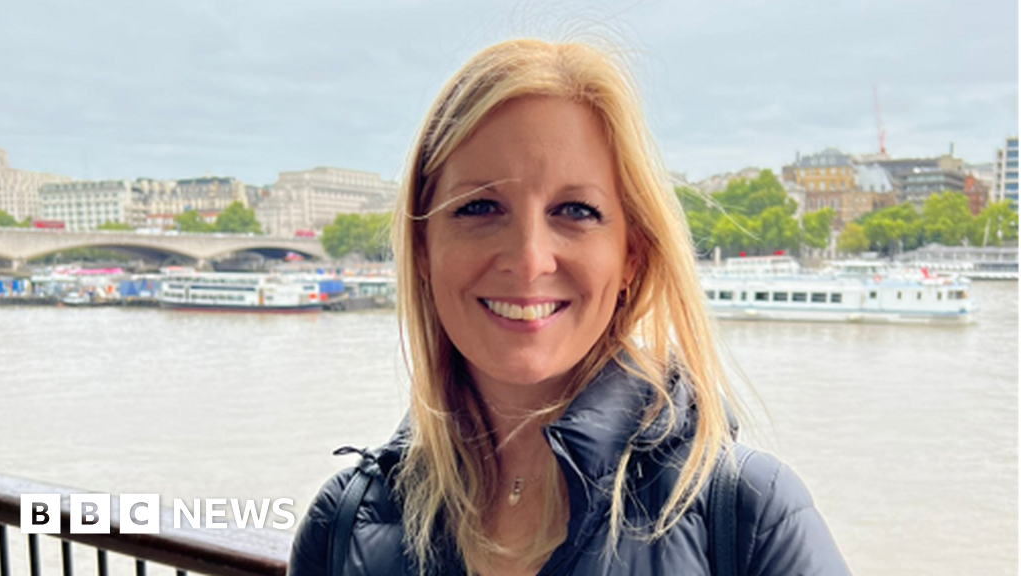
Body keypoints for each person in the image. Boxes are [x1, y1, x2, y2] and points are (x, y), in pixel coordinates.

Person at [289, 38, 851, 576]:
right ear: (421, 249)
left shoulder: (751, 521)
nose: (530, 259)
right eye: (480, 206)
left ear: (632, 253)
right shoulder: (341, 525)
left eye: (575, 211)